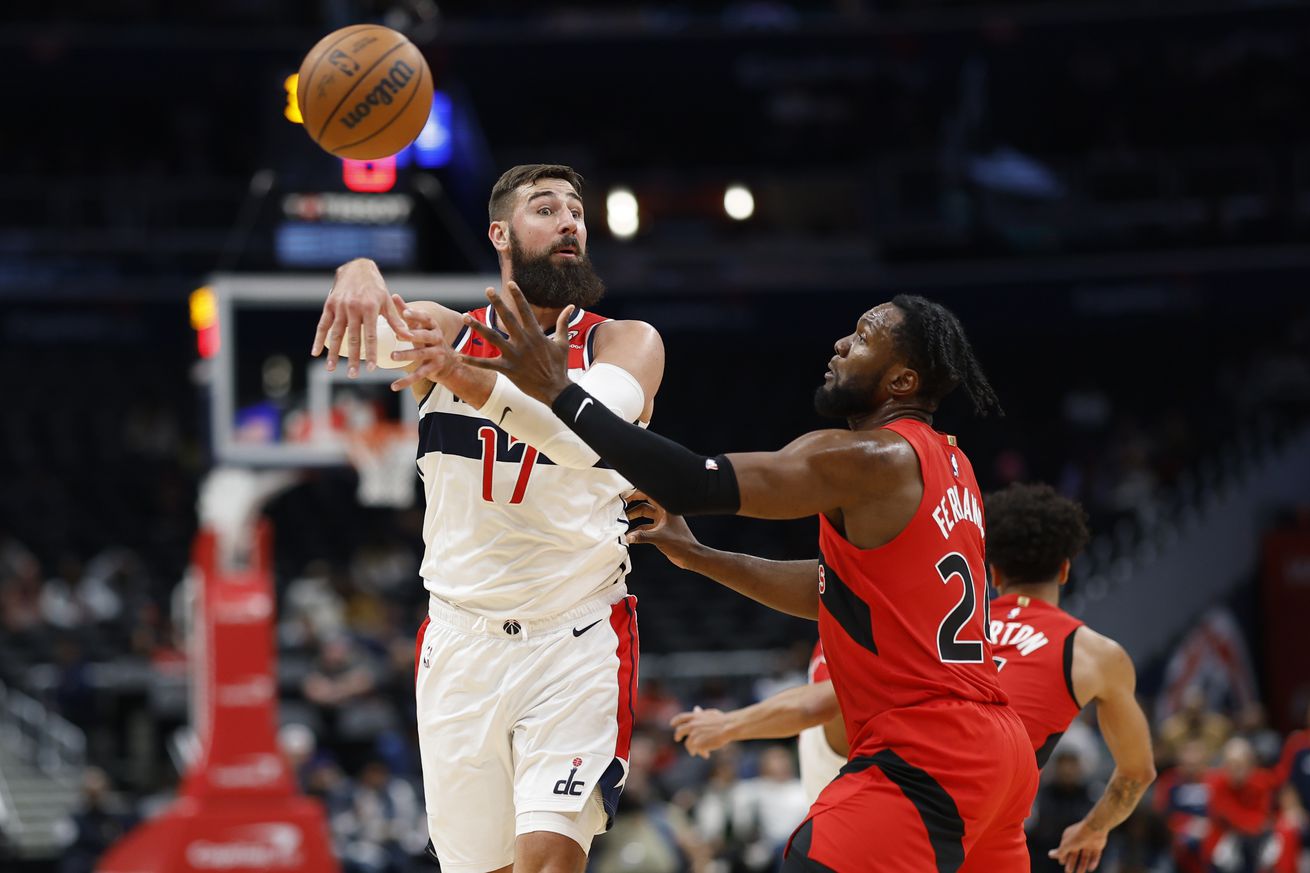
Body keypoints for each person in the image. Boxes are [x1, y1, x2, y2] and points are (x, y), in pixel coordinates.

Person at [440, 286, 1036, 871]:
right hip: (999, 751)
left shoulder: (866, 458)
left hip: (930, 747)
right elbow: (834, 590)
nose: (839, 344)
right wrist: (700, 557)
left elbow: (693, 483)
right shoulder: (953, 465)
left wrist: (561, 393)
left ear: (902, 381)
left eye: (862, 338)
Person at [311, 164, 665, 873]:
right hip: (461, 644)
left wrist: (462, 376)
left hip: (575, 639)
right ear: (500, 234)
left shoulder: (625, 342)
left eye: (576, 208)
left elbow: (581, 429)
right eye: (546, 208)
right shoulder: (451, 331)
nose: (570, 220)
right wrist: (354, 271)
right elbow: (365, 335)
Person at [651, 481, 1156, 872]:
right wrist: (1092, 829)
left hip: (913, 775)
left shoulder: (942, 620)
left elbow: (825, 700)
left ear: (992, 570)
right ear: (1066, 570)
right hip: (997, 791)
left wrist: (731, 725)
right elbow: (1136, 773)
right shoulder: (1095, 654)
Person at [670, 640, 845, 804]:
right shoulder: (834, 623)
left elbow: (816, 706)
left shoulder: (862, 632)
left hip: (852, 805)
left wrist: (725, 725)